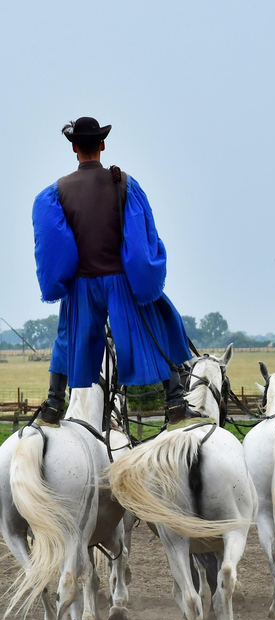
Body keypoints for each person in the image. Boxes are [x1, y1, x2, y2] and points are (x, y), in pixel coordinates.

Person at [33, 116, 199, 427]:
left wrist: (64, 281)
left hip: (82, 285)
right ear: (102, 144)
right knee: (155, 321)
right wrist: (144, 278)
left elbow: (54, 245)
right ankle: (176, 403)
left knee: (67, 336)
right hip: (121, 280)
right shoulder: (124, 183)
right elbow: (140, 240)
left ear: (74, 148)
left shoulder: (56, 192)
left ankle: (54, 405)